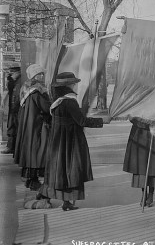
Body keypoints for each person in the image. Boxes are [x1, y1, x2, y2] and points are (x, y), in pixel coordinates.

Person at [39, 72, 103, 211]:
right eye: (73, 83)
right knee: (72, 169)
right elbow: (81, 121)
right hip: (71, 140)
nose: (75, 86)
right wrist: (102, 121)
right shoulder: (70, 101)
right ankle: (67, 202)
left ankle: (59, 200)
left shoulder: (57, 101)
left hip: (58, 140)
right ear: (68, 85)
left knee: (59, 169)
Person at [14, 64, 52, 192]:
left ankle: (30, 179)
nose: (42, 76)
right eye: (39, 74)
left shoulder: (26, 87)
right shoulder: (36, 90)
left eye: (42, 73)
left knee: (30, 151)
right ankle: (33, 181)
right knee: (37, 151)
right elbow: (46, 108)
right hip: (37, 125)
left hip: (28, 124)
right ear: (34, 76)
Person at [123, 118, 155, 207]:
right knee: (141, 165)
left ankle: (151, 193)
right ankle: (144, 193)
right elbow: (131, 116)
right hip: (140, 133)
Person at [3, 67, 22, 154]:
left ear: (18, 72)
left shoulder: (20, 82)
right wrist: (10, 79)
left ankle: (13, 148)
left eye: (13, 73)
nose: (12, 75)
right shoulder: (14, 81)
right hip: (13, 108)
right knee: (11, 128)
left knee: (13, 128)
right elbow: (10, 90)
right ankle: (11, 147)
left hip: (16, 109)